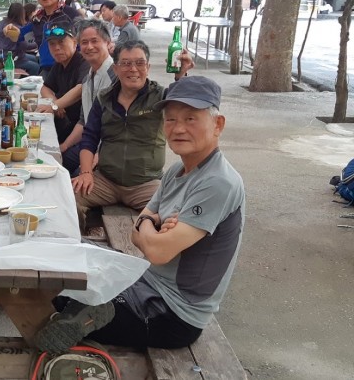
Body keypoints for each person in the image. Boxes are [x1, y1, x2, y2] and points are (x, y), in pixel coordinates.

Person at [35, 75, 245, 352]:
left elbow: (157, 252)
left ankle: (85, 316)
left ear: (218, 124)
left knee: (52, 292)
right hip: (146, 280)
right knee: (60, 266)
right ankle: (86, 312)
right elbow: (138, 235)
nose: (178, 128)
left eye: (191, 119)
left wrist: (149, 225)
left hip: (172, 313)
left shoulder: (218, 182)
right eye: (171, 119)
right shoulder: (177, 170)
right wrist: (151, 223)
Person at [72, 41, 193, 233]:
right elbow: (89, 137)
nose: (133, 69)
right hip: (105, 180)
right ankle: (80, 242)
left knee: (178, 216)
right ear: (116, 68)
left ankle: (150, 251)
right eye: (126, 63)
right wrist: (86, 172)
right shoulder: (104, 98)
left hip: (147, 184)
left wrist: (181, 75)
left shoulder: (160, 96)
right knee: (65, 197)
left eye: (140, 63)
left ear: (148, 67)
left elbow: (184, 105)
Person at [60, 20, 118, 176]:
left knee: (75, 178)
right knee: (57, 161)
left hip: (109, 151)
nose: (89, 47)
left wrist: (98, 156)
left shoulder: (117, 77)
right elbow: (84, 121)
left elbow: (122, 127)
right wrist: (64, 146)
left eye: (95, 41)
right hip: (89, 145)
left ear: (108, 43)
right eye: (84, 42)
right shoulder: (87, 79)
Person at [3, 0, 80, 80]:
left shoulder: (71, 14)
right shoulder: (37, 19)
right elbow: (18, 36)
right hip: (47, 71)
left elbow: (84, 40)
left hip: (71, 70)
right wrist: (9, 30)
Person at [36, 21, 88, 144]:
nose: (57, 48)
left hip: (78, 130)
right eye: (52, 44)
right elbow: (45, 88)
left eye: (61, 42)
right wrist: (55, 103)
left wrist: (55, 106)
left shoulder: (83, 62)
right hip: (62, 123)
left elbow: (81, 89)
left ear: (75, 42)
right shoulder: (59, 64)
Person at [0, 3, 40, 76]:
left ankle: (24, 77)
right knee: (35, 66)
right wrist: (38, 44)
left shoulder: (1, 23)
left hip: (1, 55)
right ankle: (28, 81)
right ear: (21, 14)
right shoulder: (17, 28)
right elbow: (25, 46)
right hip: (11, 58)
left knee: (34, 59)